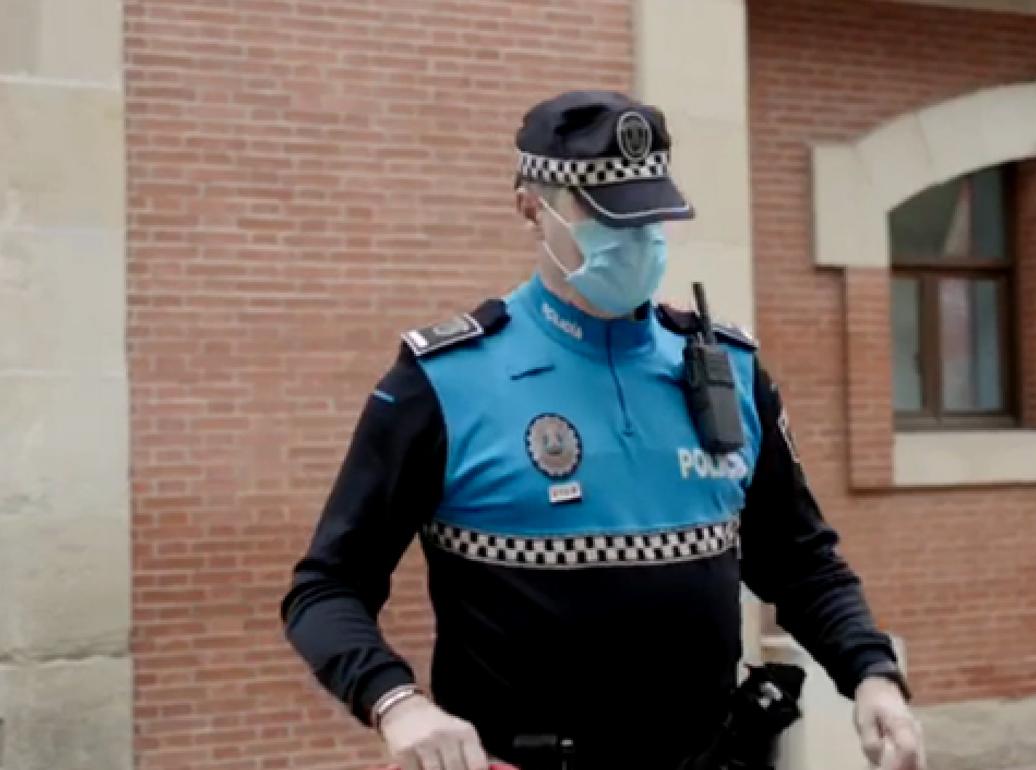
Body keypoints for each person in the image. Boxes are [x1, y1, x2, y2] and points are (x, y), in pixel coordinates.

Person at [280, 90, 924, 770]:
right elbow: (325, 588)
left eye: (649, 214)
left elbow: (800, 562)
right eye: (606, 213)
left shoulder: (730, 369)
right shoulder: (444, 381)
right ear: (532, 206)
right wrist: (397, 703)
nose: (636, 236)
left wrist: (870, 674)